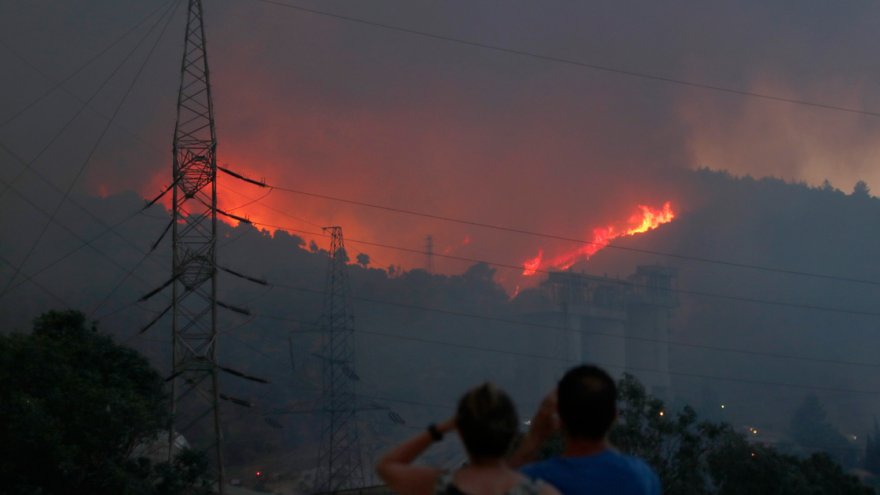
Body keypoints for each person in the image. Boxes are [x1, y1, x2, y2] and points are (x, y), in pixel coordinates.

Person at [376, 383, 560, 495]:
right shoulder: (539, 492)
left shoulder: (440, 486)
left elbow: (387, 465)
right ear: (513, 433)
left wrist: (439, 429)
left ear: (461, 432)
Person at [510, 365, 661, 495]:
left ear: (560, 419)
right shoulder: (642, 478)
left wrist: (534, 438)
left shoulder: (535, 481)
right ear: (614, 416)